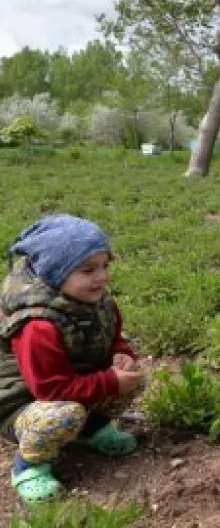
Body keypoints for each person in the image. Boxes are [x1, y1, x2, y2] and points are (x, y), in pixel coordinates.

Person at [1, 214, 145, 503]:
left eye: (105, 266)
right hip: (21, 402)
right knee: (62, 415)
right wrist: (109, 381)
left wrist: (122, 355)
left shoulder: (99, 302)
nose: (101, 276)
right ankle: (28, 466)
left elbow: (113, 337)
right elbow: (50, 390)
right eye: (87, 269)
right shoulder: (37, 326)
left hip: (71, 385)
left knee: (132, 381)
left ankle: (90, 431)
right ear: (55, 272)